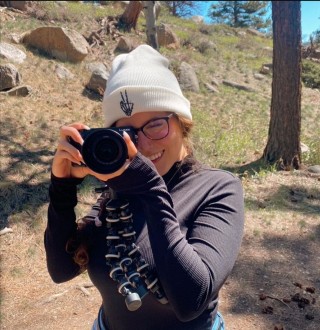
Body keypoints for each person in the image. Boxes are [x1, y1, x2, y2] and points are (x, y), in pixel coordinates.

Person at [45, 44, 244, 330]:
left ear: (182, 122)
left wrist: (151, 189)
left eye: (156, 124)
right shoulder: (117, 191)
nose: (144, 145)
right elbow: (61, 271)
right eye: (127, 132)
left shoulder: (217, 188)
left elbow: (191, 300)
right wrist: (62, 190)